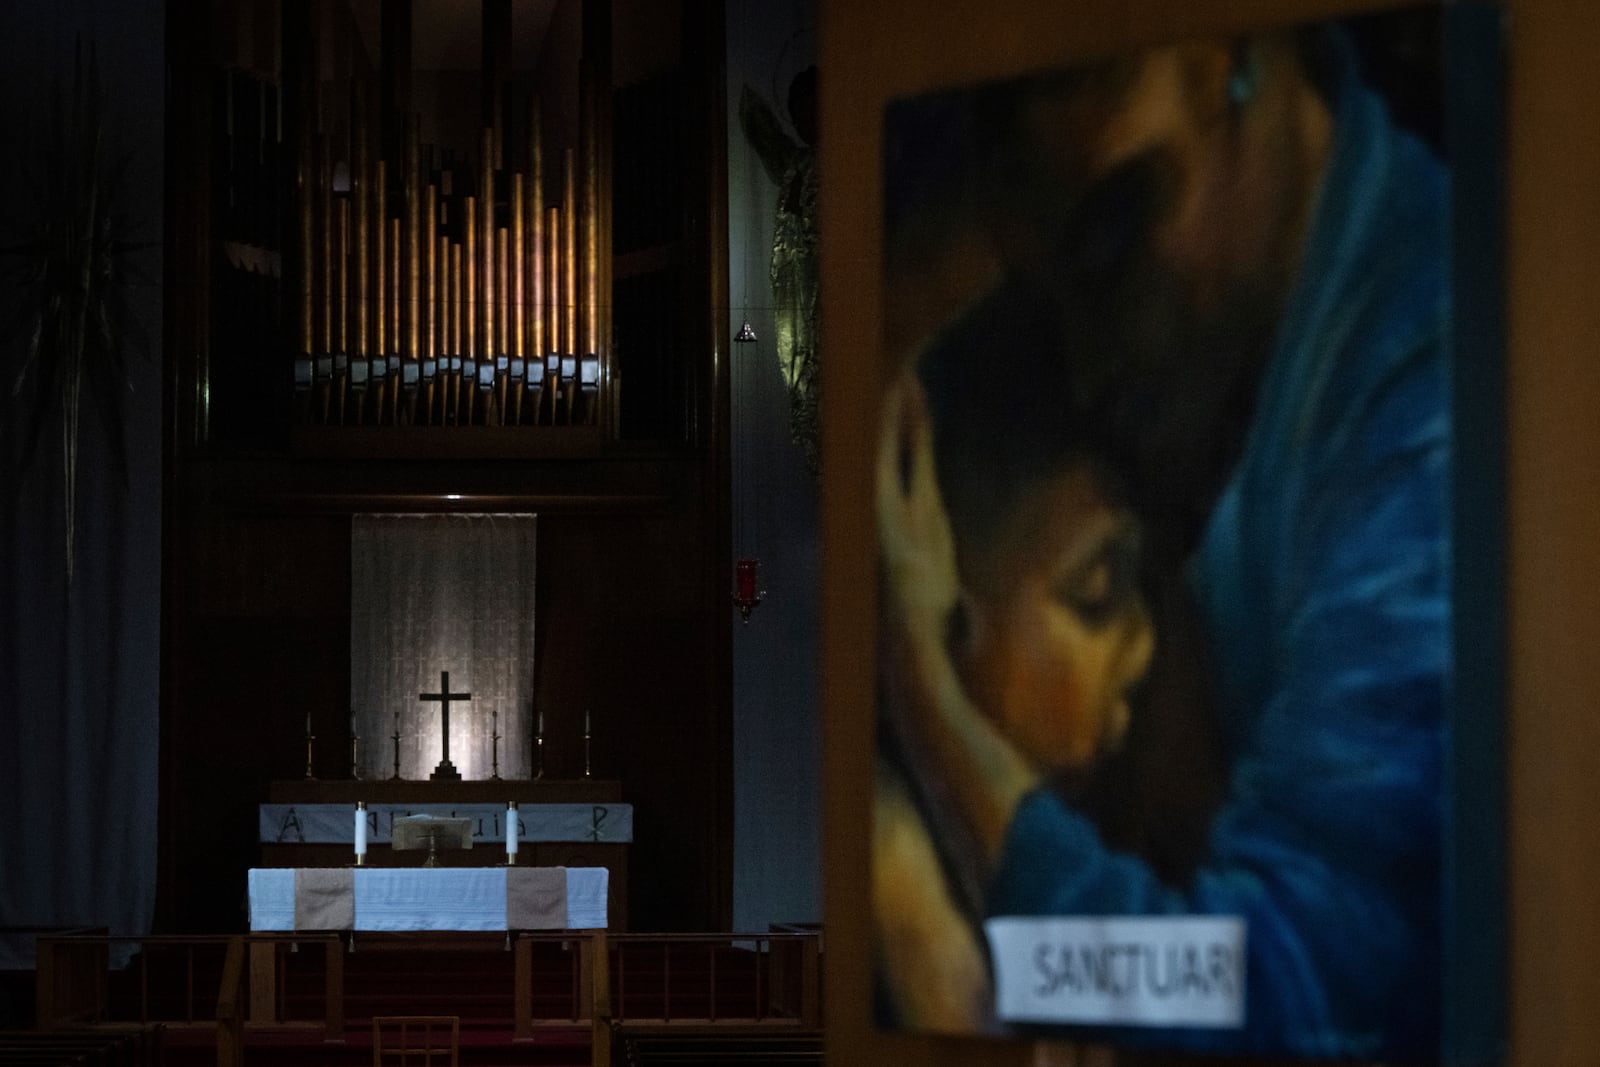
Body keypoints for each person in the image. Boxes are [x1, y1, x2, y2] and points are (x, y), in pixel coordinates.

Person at [878, 21, 1450, 1061]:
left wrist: (933, 712)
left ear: (1236, 57)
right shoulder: (1258, 364)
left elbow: (1266, 992)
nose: (1094, 370)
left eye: (1119, 231)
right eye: (1060, 297)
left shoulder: (1422, 389)